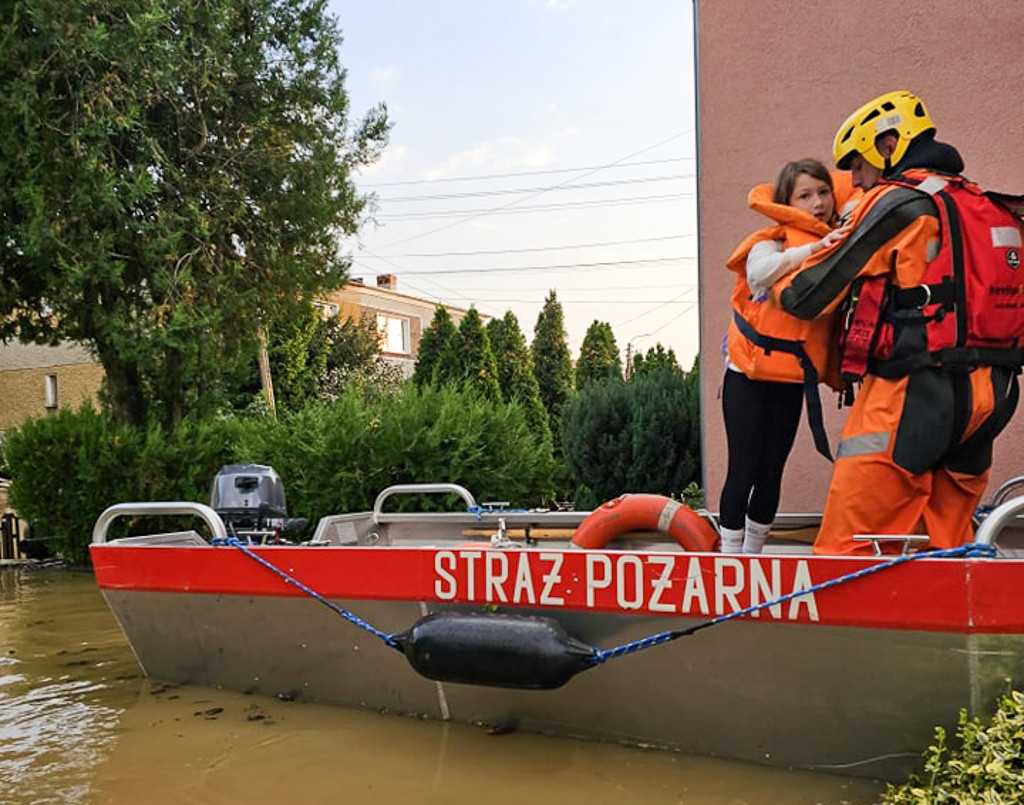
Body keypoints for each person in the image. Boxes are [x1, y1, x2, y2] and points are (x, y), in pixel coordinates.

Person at [774, 90, 1024, 555]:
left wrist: (771, 275)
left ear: (888, 144)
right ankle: (948, 627)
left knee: (848, 550)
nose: (854, 179)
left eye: (857, 164)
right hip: (993, 398)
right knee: (947, 545)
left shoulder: (897, 202)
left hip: (915, 396)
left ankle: (844, 625)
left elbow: (806, 296)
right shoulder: (985, 205)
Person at [719, 159, 853, 553]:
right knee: (742, 468)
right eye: (805, 195)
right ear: (787, 203)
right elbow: (760, 274)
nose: (818, 203)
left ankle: (754, 556)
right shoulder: (771, 242)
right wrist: (815, 248)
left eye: (823, 192)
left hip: (792, 377)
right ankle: (730, 562)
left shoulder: (843, 242)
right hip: (746, 376)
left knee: (771, 472)